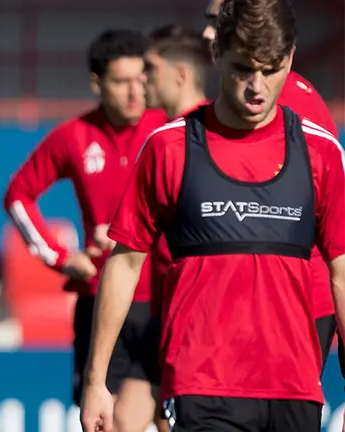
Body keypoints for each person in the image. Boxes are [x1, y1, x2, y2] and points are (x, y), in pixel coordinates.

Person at [81, 0, 345, 430]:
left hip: (295, 387)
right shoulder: (169, 147)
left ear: (291, 57)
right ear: (217, 53)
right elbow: (125, 264)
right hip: (201, 384)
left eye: (272, 70)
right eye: (243, 69)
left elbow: (341, 272)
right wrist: (96, 381)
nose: (257, 87)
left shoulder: (320, 150)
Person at [3, 29, 168, 432]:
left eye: (141, 79)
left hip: (166, 300)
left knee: (174, 421)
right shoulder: (73, 135)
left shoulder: (169, 128)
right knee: (105, 423)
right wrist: (60, 258)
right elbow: (18, 195)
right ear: (97, 83)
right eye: (122, 81)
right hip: (102, 302)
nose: (135, 92)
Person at [202, 0, 341, 373]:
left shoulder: (285, 100)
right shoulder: (229, 102)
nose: (206, 32)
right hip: (246, 302)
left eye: (216, 20)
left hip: (297, 299)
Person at [142, 23, 212, 432]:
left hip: (195, 320)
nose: (142, 79)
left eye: (151, 69)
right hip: (161, 310)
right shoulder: (161, 137)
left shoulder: (205, 140)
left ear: (182, 74)